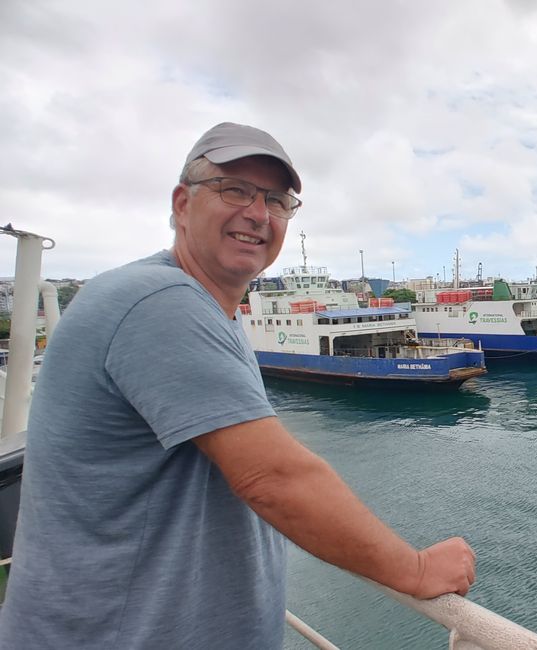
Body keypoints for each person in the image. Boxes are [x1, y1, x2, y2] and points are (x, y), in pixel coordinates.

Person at [0, 123, 476, 648]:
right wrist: (414, 568)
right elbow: (273, 477)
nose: (257, 213)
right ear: (182, 204)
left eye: (276, 200)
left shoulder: (205, 309)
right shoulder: (159, 301)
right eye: (234, 190)